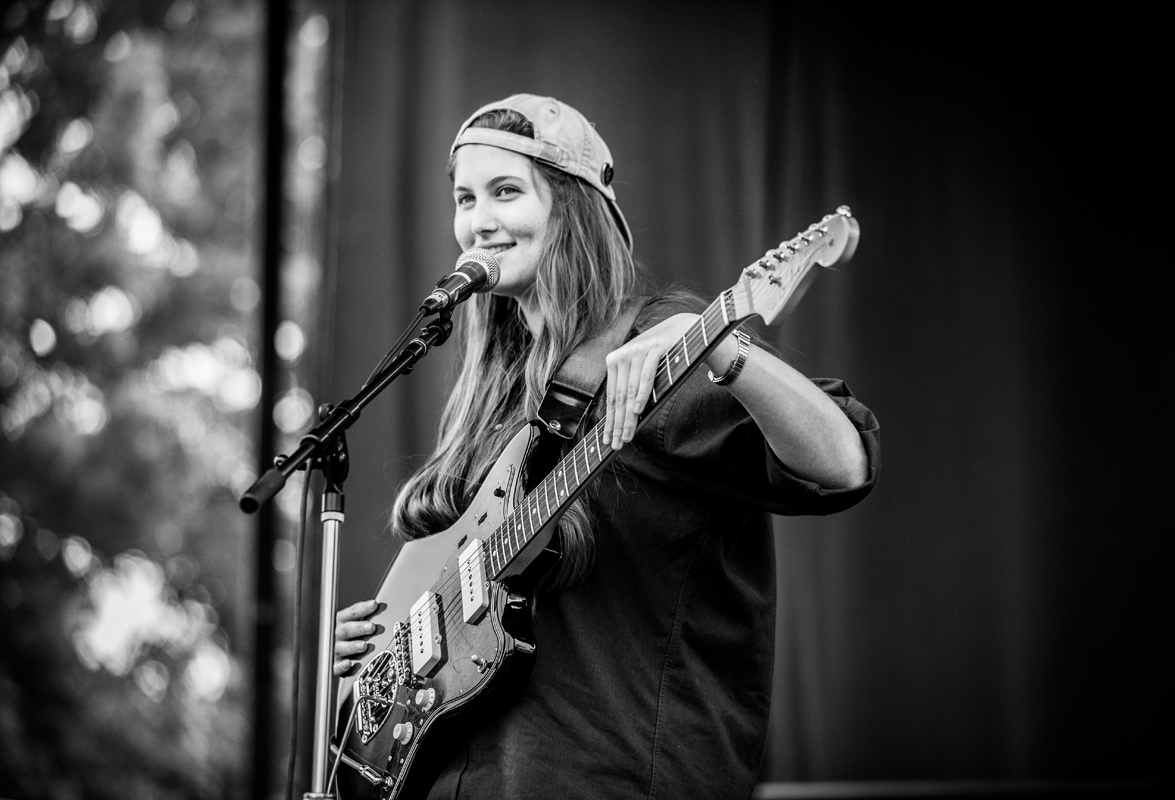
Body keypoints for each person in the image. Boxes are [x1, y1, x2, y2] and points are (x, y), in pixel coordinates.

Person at [333, 94, 880, 799]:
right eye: (465, 198)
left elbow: (844, 463)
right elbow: (450, 573)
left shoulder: (658, 351)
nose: (479, 220)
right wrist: (390, 646)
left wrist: (722, 349)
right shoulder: (499, 388)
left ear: (574, 208)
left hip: (603, 775)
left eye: (506, 191)